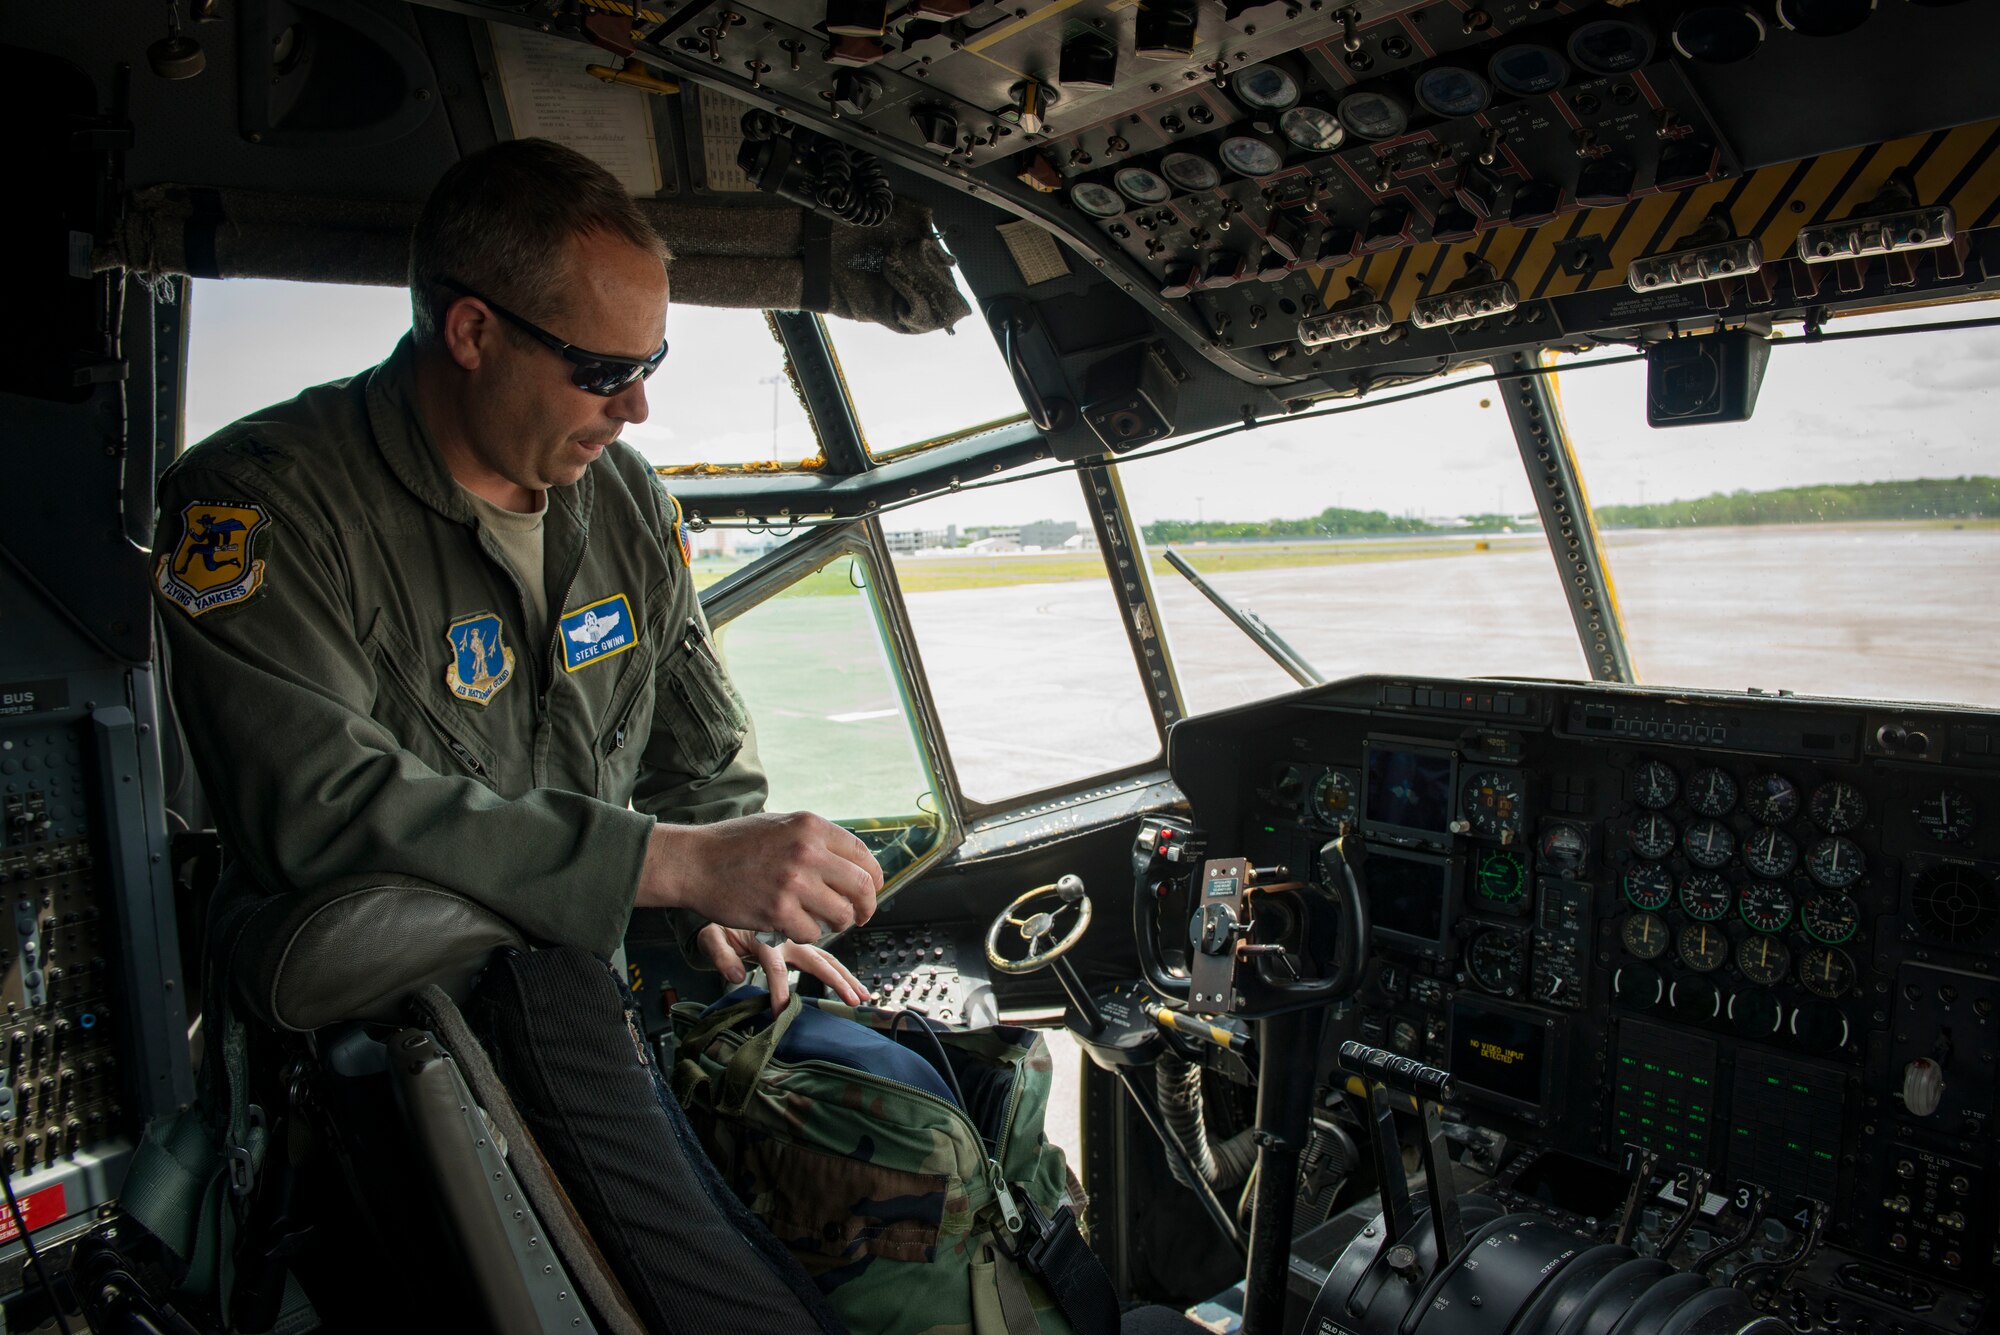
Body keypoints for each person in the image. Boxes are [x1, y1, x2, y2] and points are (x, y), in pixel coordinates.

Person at [153, 138, 884, 1329]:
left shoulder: (625, 498)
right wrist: (668, 865)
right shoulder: (254, 504)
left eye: (650, 362)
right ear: (471, 330)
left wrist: (730, 901)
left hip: (597, 989)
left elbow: (696, 754)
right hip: (406, 1040)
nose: (636, 404)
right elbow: (317, 807)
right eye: (601, 368)